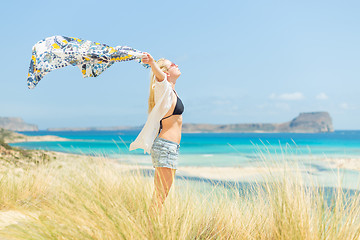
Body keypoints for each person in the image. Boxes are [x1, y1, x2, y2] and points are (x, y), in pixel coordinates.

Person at [129, 52, 184, 215]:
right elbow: (159, 79)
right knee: (160, 198)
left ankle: (151, 229)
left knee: (161, 196)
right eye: (172, 64)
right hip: (166, 147)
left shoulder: (172, 92)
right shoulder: (164, 89)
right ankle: (152, 231)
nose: (177, 64)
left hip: (170, 147)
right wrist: (153, 63)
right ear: (166, 73)